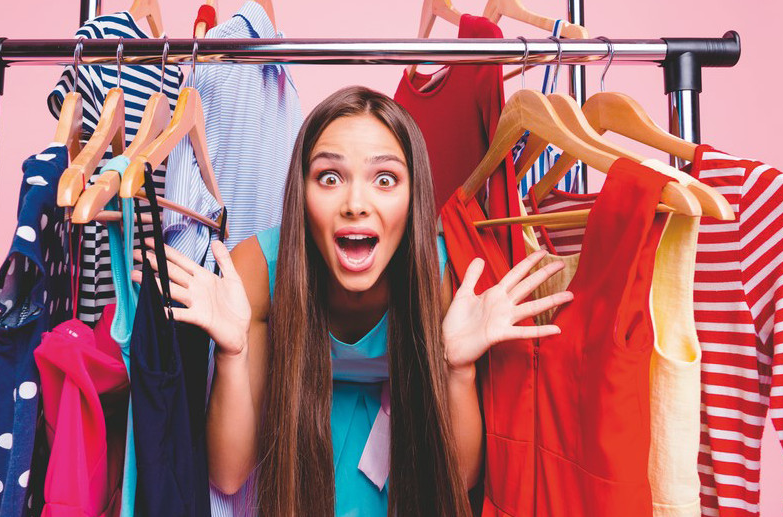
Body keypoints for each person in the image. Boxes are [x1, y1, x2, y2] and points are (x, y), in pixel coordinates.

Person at [133, 86, 572, 516]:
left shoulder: (441, 277)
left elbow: (461, 476)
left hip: (408, 483)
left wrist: (458, 369)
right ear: (301, 193)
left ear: (414, 195)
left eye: (385, 179)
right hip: (300, 484)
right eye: (329, 177)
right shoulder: (260, 268)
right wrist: (232, 354)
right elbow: (229, 475)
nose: (355, 204)